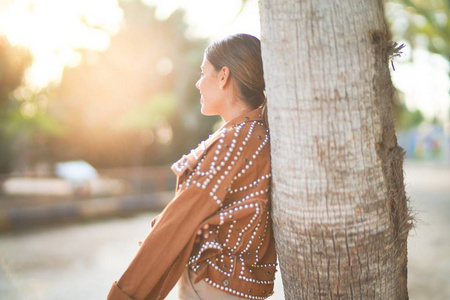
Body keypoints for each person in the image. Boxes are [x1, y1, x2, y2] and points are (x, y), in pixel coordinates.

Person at [107, 33, 277, 300]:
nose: (198, 84)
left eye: (202, 73)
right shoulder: (255, 135)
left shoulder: (234, 141)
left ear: (223, 76)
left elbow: (178, 221)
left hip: (213, 289)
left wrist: (123, 295)